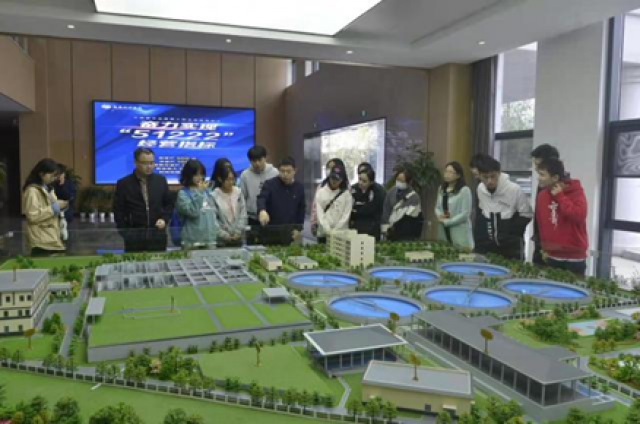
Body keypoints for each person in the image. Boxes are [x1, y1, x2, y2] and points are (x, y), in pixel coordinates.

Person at [113, 147, 172, 252]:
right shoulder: (124, 184)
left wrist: (164, 219)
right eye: (145, 163)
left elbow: (168, 205)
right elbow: (118, 211)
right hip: (134, 238)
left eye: (151, 163)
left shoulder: (161, 181)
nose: (149, 166)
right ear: (136, 163)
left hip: (157, 236)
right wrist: (126, 233)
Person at [536, 158, 588, 275]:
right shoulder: (542, 196)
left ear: (555, 178)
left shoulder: (576, 192)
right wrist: (544, 248)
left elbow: (578, 216)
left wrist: (560, 197)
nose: (539, 178)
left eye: (542, 175)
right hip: (552, 256)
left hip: (574, 258)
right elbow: (542, 224)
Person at [475, 156, 533, 260]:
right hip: (489, 242)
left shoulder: (514, 189)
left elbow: (527, 214)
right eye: (485, 177)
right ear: (479, 175)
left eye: (493, 176)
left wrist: (511, 232)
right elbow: (482, 211)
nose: (489, 181)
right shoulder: (480, 189)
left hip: (511, 244)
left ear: (499, 173)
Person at [257, 156, 306, 245]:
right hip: (271, 231)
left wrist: (298, 229)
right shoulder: (270, 184)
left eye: (288, 171)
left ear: (295, 170)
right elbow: (262, 198)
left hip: (289, 233)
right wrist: (262, 210)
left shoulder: (299, 188)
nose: (285, 174)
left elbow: (301, 210)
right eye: (282, 171)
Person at [22, 159, 67, 256]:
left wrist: (61, 206)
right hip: (41, 242)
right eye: (51, 175)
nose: (53, 178)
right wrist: (54, 208)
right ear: (41, 174)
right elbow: (32, 216)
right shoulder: (32, 191)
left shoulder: (48, 189)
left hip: (51, 238)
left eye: (55, 176)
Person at [174, 159, 218, 249]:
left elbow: (213, 214)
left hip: (209, 240)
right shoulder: (183, 194)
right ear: (189, 175)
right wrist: (199, 193)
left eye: (201, 174)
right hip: (191, 241)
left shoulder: (207, 192)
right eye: (196, 174)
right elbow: (193, 212)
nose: (199, 177)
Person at [530, 144, 561, 265]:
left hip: (555, 248)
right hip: (541, 240)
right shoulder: (543, 184)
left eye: (538, 165)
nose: (536, 170)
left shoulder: (561, 188)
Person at [435, 161, 473, 250]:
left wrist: (448, 221)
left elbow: (465, 214)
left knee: (461, 254)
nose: (447, 174)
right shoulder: (441, 189)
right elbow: (437, 207)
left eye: (450, 172)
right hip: (443, 228)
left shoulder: (464, 190)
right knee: (444, 251)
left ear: (458, 175)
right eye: (446, 171)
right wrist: (439, 215)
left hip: (458, 229)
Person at [240, 145, 279, 227]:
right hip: (252, 217)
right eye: (254, 161)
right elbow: (243, 198)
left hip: (271, 216)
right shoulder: (245, 175)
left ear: (266, 158)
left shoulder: (275, 173)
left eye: (260, 160)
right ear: (249, 160)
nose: (257, 163)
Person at [314, 162, 352, 243]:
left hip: (340, 235)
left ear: (342, 179)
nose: (334, 181)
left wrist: (335, 231)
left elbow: (346, 216)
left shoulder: (347, 195)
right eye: (332, 178)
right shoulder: (321, 192)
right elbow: (320, 214)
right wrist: (328, 231)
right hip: (323, 234)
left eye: (337, 179)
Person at [381, 168, 423, 241]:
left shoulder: (414, 197)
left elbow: (408, 218)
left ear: (409, 182)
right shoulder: (391, 192)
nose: (398, 182)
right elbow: (386, 210)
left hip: (405, 234)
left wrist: (394, 227)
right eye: (398, 179)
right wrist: (385, 228)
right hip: (390, 231)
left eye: (401, 181)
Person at [213, 166, 247, 247]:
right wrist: (225, 235)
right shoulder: (214, 196)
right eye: (228, 179)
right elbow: (213, 220)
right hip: (221, 241)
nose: (231, 182)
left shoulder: (238, 193)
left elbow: (243, 214)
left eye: (232, 179)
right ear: (220, 179)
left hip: (239, 239)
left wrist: (238, 232)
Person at [350, 163, 385, 240]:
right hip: (355, 228)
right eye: (359, 179)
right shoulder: (353, 189)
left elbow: (372, 210)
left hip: (372, 229)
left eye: (364, 181)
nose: (360, 183)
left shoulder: (378, 191)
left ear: (371, 182)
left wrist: (357, 211)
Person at [311, 158, 345, 236]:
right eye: (328, 168)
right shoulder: (321, 186)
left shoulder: (346, 189)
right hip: (322, 228)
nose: (329, 170)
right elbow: (315, 207)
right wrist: (313, 223)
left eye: (332, 168)